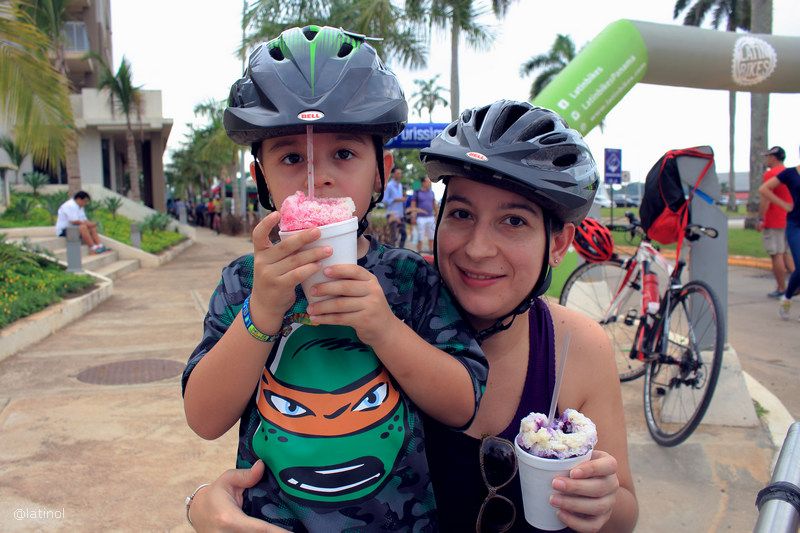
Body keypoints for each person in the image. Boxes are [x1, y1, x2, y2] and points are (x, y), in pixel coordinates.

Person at [186, 101, 638, 532]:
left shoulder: (412, 292)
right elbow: (208, 416)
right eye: (461, 213)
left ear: (558, 244)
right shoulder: (407, 288)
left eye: (514, 221)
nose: (479, 249)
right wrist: (201, 503)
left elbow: (623, 514)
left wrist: (601, 501)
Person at [181, 25, 487, 532]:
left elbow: (462, 405)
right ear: (261, 178)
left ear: (380, 172)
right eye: (290, 158)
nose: (317, 176)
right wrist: (261, 313)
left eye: (343, 154)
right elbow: (204, 418)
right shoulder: (242, 282)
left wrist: (385, 330)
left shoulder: (411, 279)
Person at [760, 147, 800, 320]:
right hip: (795, 224)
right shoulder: (790, 173)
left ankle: (785, 293)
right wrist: (784, 205)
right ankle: (787, 296)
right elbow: (764, 189)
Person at [757, 146, 794, 298]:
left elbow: (765, 199)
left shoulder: (771, 174)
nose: (766, 159)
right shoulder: (790, 172)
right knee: (786, 253)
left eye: (767, 156)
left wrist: (761, 218)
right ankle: (796, 283)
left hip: (774, 220)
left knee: (776, 254)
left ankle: (781, 288)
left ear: (773, 157)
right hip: (789, 219)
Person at [411, 176, 437, 253]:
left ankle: (431, 250)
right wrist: (413, 216)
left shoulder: (432, 192)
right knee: (420, 235)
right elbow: (413, 205)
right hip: (420, 218)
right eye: (428, 181)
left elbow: (434, 204)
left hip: (430, 217)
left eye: (429, 182)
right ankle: (419, 251)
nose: (429, 183)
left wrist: (437, 214)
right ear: (423, 183)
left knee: (431, 234)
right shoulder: (417, 192)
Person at [383, 166, 407, 247]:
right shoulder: (388, 186)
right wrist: (396, 199)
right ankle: (392, 253)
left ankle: (400, 251)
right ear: (393, 174)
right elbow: (384, 200)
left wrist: (403, 199)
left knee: (404, 234)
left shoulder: (400, 185)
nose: (400, 175)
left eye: (401, 173)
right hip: (392, 214)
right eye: (398, 173)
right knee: (393, 237)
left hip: (400, 214)